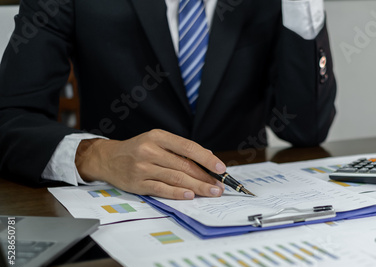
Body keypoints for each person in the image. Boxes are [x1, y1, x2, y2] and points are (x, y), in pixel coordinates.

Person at [0, 0, 336, 200]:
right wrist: (97, 156)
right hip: (120, 218)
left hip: (243, 208)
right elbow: (10, 120)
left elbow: (306, 130)